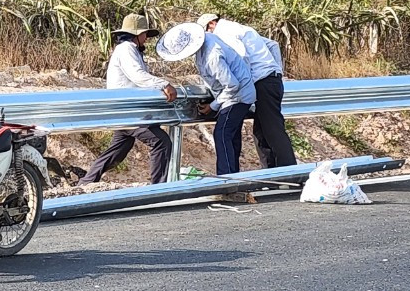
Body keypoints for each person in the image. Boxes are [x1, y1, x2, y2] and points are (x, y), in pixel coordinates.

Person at [78, 13, 178, 185]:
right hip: (129, 111)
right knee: (161, 142)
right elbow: (137, 76)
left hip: (124, 110)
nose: (146, 38)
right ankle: (159, 188)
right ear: (137, 35)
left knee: (118, 150)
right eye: (145, 34)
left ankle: (85, 182)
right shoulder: (127, 50)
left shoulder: (130, 50)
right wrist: (164, 84)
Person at [196, 12, 296, 168]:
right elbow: (273, 45)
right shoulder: (240, 28)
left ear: (210, 24)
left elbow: (241, 57)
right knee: (262, 131)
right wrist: (276, 72)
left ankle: (291, 175)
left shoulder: (223, 32)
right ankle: (273, 176)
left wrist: (246, 84)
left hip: (261, 81)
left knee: (272, 130)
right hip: (270, 79)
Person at [157, 22, 256, 175]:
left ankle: (227, 177)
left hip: (238, 96)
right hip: (237, 93)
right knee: (231, 135)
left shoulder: (212, 56)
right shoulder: (208, 40)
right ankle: (234, 176)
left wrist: (213, 105)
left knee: (222, 134)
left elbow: (232, 85)